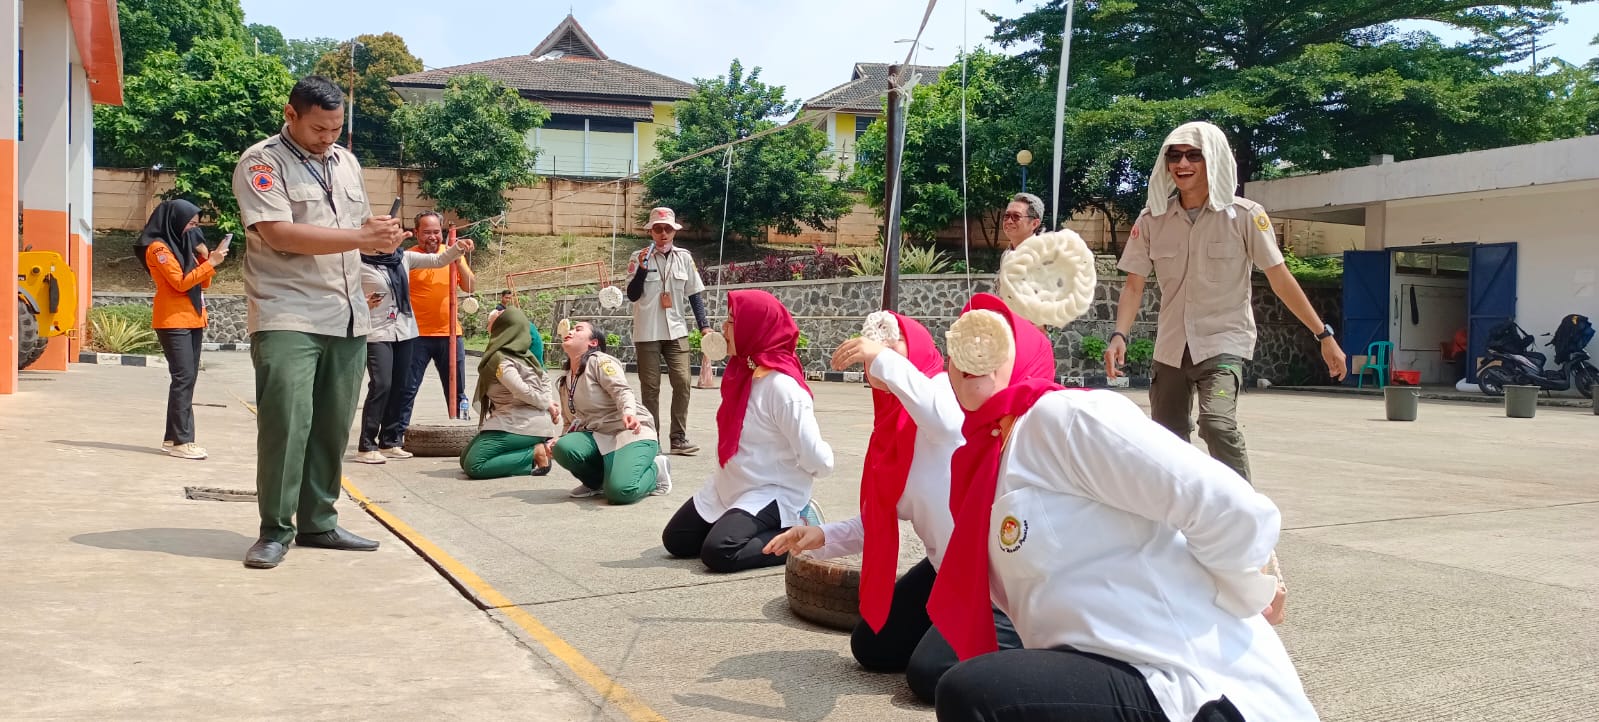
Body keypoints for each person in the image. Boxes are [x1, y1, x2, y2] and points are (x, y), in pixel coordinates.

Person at [930, 293, 1314, 722]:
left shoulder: (1061, 419)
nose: (971, 353)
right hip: (1108, 671)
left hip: (1189, 685)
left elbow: (1227, 505)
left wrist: (1250, 590)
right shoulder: (983, 470)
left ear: (1024, 353)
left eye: (992, 336)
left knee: (977, 693)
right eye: (958, 345)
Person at [764, 311, 1018, 703]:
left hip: (991, 579)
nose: (877, 353)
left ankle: (1026, 639)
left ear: (915, 349)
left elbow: (947, 421)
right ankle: (951, 630)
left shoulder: (944, 396)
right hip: (944, 569)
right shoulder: (893, 429)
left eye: (892, 341)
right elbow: (879, 519)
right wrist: (820, 536)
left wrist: (881, 357)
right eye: (871, 346)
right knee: (872, 646)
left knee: (929, 675)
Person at [1106, 120, 1347, 484]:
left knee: (1217, 424)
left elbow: (1281, 280)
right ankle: (1182, 524)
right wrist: (1119, 335)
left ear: (1213, 159)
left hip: (1222, 343)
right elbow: (1134, 285)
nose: (1181, 164)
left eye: (1193, 155)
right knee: (1166, 441)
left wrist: (1323, 334)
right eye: (1174, 155)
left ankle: (1245, 520)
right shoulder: (1152, 219)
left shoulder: (1246, 216)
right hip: (1171, 347)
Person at [231, 76, 406, 569]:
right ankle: (274, 529)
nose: (328, 137)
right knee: (287, 422)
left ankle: (319, 522)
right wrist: (358, 236)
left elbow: (360, 230)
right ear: (291, 115)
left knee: (332, 425)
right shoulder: (261, 162)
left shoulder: (346, 162)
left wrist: (382, 237)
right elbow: (278, 232)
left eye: (335, 129)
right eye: (318, 128)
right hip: (287, 309)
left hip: (347, 313)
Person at [662, 290, 833, 573]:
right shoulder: (741, 372)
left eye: (732, 322)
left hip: (770, 490)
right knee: (676, 541)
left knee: (720, 552)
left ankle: (801, 530)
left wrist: (819, 463)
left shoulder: (783, 388)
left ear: (755, 328)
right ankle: (738, 523)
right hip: (730, 483)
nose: (724, 329)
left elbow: (817, 459)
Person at [352, 233, 474, 464]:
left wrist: (457, 247)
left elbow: (438, 260)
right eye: (388, 236)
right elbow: (344, 292)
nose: (393, 241)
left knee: (400, 385)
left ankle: (389, 442)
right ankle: (367, 444)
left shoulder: (402, 258)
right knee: (382, 384)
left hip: (405, 330)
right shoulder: (357, 262)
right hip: (377, 332)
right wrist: (361, 303)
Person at [135, 199, 230, 461]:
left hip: (193, 318)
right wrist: (211, 263)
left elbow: (204, 282)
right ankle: (182, 440)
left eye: (196, 225)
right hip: (173, 320)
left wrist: (204, 256)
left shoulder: (183, 246)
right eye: (190, 223)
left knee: (187, 378)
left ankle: (171, 437)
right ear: (174, 220)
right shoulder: (158, 249)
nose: (193, 229)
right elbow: (179, 283)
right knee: (183, 378)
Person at [625, 206, 713, 456]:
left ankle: (679, 437)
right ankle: (652, 438)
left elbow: (694, 293)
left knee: (683, 382)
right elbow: (632, 295)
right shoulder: (637, 257)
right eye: (658, 228)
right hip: (647, 332)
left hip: (676, 330)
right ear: (651, 231)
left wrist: (704, 326)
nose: (663, 234)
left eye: (667, 229)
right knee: (650, 387)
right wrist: (642, 270)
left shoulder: (684, 257)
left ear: (674, 231)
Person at [553, 321, 672, 503]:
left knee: (621, 492)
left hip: (629, 432)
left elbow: (622, 391)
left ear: (593, 343)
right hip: (597, 436)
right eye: (571, 329)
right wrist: (559, 440)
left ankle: (657, 471)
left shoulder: (599, 361)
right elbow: (570, 422)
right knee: (564, 447)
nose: (570, 332)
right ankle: (596, 483)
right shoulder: (565, 381)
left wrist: (628, 412)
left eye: (578, 329)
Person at [460, 307, 560, 479]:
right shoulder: (527, 356)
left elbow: (521, 390)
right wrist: (548, 403)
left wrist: (547, 404)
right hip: (517, 419)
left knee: (475, 465)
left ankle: (535, 452)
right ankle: (530, 450)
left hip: (520, 423)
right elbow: (544, 381)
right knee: (464, 460)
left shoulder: (502, 359)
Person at [401, 210, 476, 422]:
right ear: (416, 233)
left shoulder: (452, 253)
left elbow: (470, 286)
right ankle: (395, 437)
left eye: (436, 232)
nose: (432, 236)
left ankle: (461, 429)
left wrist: (459, 258)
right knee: (407, 389)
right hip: (416, 335)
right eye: (426, 232)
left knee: (457, 389)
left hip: (451, 334)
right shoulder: (409, 258)